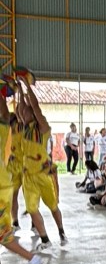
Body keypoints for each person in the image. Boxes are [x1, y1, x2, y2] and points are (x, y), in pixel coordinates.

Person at [0, 87, 48, 264]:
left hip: (5, 186)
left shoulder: (7, 130)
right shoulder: (12, 129)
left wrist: (17, 90)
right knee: (3, 235)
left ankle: (36, 260)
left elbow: (9, 113)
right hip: (11, 179)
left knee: (4, 236)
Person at [16, 79, 67, 249]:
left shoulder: (43, 128)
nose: (22, 114)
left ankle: (61, 232)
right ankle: (45, 240)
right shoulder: (25, 128)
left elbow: (35, 106)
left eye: (25, 112)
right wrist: (18, 90)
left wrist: (26, 85)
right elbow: (21, 107)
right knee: (31, 208)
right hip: (28, 176)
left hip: (43, 174)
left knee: (53, 206)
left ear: (33, 114)